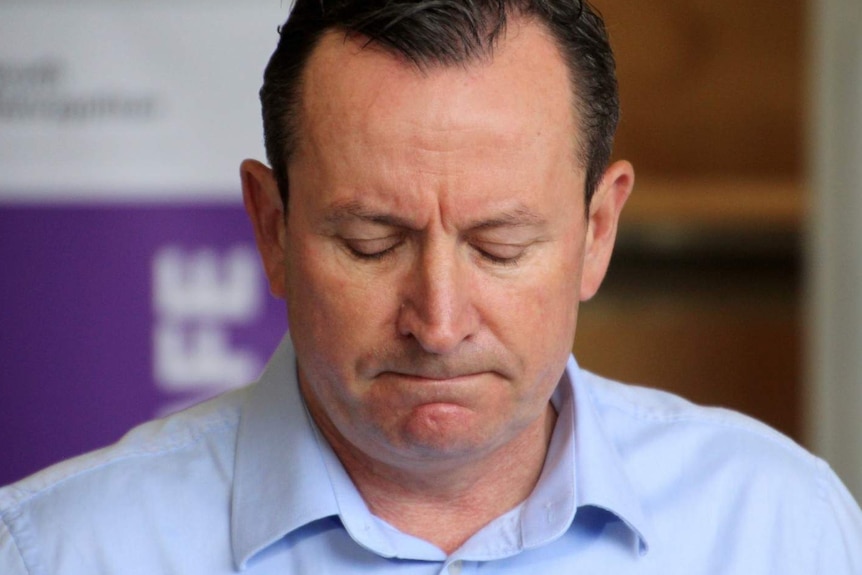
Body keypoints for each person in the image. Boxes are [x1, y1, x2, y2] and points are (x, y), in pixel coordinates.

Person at [2, 0, 861, 572]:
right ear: (272, 228)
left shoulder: (777, 530)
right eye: (373, 242)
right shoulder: (62, 551)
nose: (440, 322)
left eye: (500, 244)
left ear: (598, 232)